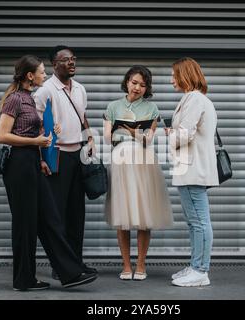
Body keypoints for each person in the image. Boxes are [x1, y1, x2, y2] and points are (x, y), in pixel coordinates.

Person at [0, 55, 97, 291]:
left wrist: (43, 144)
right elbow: (2, 136)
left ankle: (70, 272)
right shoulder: (14, 100)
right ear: (30, 76)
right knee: (25, 223)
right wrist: (37, 141)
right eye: (42, 71)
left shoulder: (30, 99)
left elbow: (33, 130)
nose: (45, 74)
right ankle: (24, 280)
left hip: (32, 162)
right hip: (18, 165)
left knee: (48, 219)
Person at [103, 65, 173, 281]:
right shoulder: (113, 106)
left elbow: (147, 139)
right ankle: (126, 266)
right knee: (122, 213)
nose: (137, 87)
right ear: (126, 82)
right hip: (120, 160)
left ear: (147, 88)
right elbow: (108, 137)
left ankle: (141, 265)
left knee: (144, 214)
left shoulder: (152, 109)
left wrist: (127, 130)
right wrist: (132, 132)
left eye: (143, 85)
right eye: (134, 82)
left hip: (144, 160)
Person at [34, 45, 97, 279]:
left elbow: (82, 116)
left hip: (77, 154)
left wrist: (90, 137)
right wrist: (41, 158)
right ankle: (60, 267)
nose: (71, 63)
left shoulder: (80, 89)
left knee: (76, 213)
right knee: (57, 214)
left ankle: (76, 263)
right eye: (65, 60)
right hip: (56, 155)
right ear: (54, 65)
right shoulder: (45, 90)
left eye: (73, 59)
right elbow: (36, 124)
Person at [165, 57, 218, 287]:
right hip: (190, 168)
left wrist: (168, 138)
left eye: (174, 75)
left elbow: (185, 133)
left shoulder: (194, 99)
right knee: (194, 221)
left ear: (185, 75)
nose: (171, 80)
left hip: (193, 168)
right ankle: (196, 264)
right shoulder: (194, 99)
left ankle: (200, 271)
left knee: (199, 221)